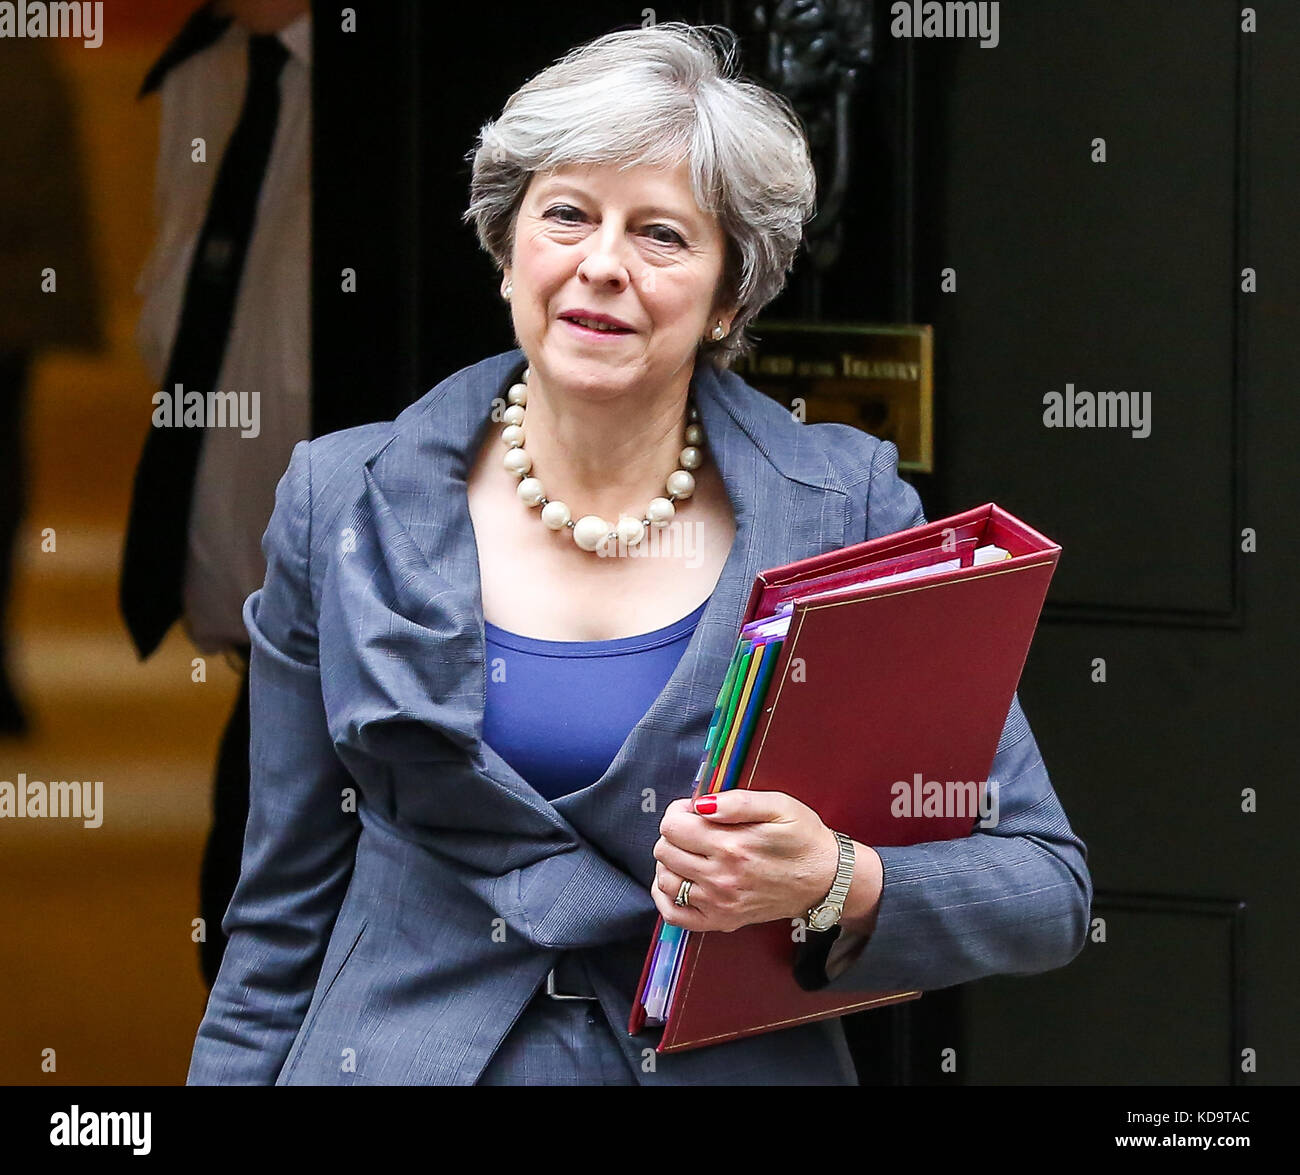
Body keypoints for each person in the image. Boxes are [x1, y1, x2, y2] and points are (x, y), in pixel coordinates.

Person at [187, 22, 1091, 1086]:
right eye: (565, 214)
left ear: (728, 298)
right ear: (507, 244)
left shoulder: (847, 510)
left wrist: (835, 875)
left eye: (662, 235)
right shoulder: (338, 502)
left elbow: (1044, 887)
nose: (601, 265)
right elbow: (277, 919)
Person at [122, 0, 311, 988]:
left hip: (389, 660)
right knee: (242, 952)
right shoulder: (207, 75)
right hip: (262, 658)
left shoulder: (439, 89)